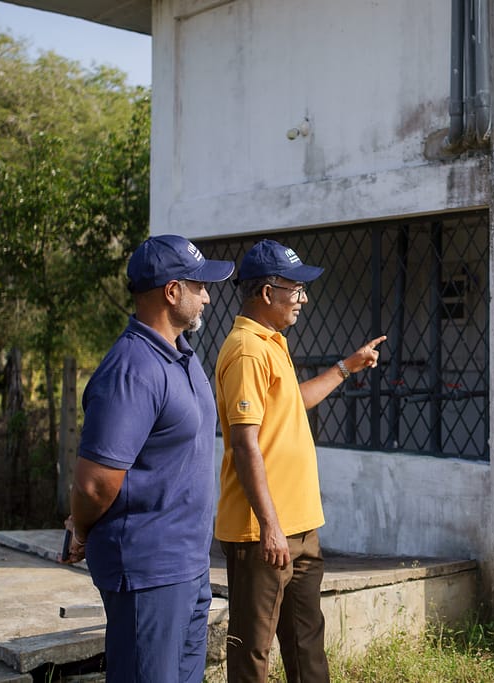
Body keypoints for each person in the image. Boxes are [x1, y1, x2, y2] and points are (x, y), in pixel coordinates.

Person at [62, 235, 235, 683]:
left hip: (190, 565)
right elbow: (95, 483)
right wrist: (81, 529)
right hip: (148, 572)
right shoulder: (131, 369)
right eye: (199, 286)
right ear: (171, 291)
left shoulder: (182, 356)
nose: (207, 296)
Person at [214, 238, 385, 683]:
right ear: (268, 293)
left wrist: (346, 367)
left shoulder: (273, 343)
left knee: (307, 641)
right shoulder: (247, 350)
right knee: (253, 650)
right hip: (263, 532)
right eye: (296, 289)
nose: (304, 298)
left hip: (301, 528)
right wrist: (270, 525)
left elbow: (293, 403)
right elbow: (245, 442)